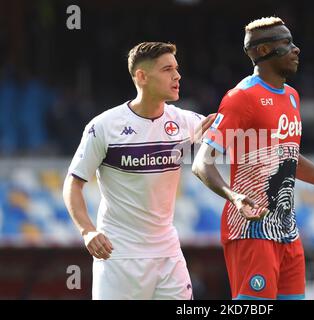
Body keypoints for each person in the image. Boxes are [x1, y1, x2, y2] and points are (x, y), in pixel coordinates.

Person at [192, 16, 314, 300]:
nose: (296, 49)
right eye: (286, 43)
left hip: (287, 230)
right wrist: (234, 196)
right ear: (263, 51)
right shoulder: (242, 97)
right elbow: (202, 163)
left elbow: (290, 159)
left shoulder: (292, 97)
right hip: (252, 230)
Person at [63, 42, 214, 300]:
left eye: (176, 69)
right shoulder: (104, 126)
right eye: (167, 69)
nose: (177, 76)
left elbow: (236, 136)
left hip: (168, 254)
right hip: (119, 256)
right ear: (141, 77)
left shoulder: (187, 122)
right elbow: (73, 184)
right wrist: (87, 230)